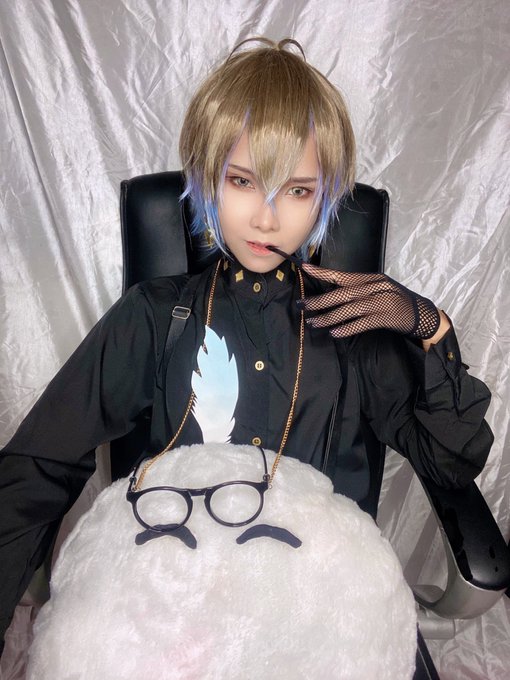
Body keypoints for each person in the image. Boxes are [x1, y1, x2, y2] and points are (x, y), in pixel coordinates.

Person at [0, 37, 493, 656]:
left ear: (327, 196)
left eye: (298, 190)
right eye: (242, 181)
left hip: (322, 618)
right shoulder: (155, 316)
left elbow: (452, 464)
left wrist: (429, 327)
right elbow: (36, 467)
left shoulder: (357, 327)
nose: (266, 218)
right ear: (208, 178)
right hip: (172, 612)